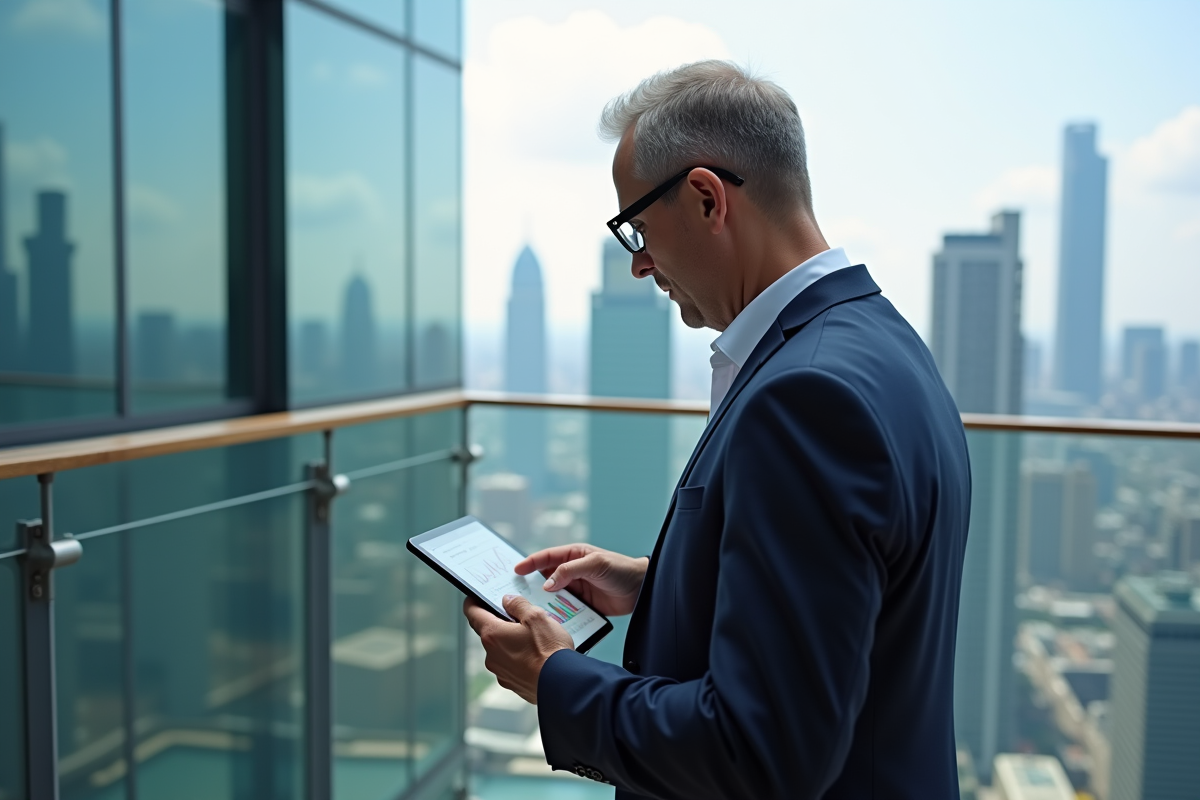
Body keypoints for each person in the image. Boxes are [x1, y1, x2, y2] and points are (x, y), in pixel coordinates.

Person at [464, 60, 971, 799]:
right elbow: (856, 590)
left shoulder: (804, 397)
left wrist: (557, 682)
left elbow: (761, 749)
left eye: (636, 227)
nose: (639, 264)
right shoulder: (882, 344)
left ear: (706, 198)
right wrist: (659, 579)